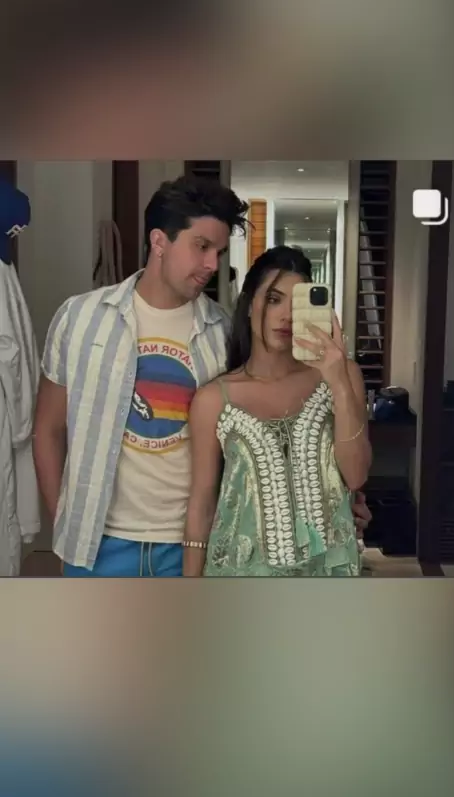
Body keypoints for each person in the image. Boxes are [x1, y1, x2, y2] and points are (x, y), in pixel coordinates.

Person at [33, 175, 249, 576]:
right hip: (97, 546)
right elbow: (47, 428)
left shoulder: (224, 332)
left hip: (188, 546)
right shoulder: (80, 317)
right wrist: (65, 522)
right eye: (201, 246)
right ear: (159, 241)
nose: (212, 265)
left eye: (219, 252)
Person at [183, 245, 372, 577]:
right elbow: (202, 505)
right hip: (239, 582)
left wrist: (340, 383)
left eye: (298, 303)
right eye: (273, 299)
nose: (287, 316)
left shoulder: (342, 377)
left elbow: (356, 476)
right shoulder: (214, 399)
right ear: (249, 304)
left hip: (330, 577)